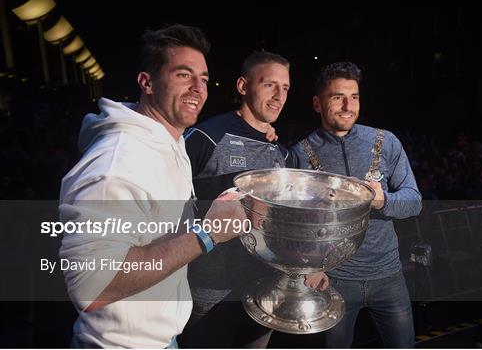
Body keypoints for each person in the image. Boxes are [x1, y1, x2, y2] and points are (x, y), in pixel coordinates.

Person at [58, 24, 245, 348]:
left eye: (202, 79)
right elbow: (92, 286)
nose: (198, 88)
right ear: (147, 82)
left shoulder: (170, 141)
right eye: (183, 75)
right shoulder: (116, 165)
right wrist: (207, 234)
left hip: (162, 338)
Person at [290, 62, 422, 348]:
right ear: (317, 103)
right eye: (337, 97)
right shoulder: (300, 154)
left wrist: (382, 201)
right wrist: (310, 266)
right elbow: (294, 226)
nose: (348, 105)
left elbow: (414, 201)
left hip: (389, 276)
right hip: (333, 280)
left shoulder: (386, 142)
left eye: (355, 97)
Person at [180, 51, 302, 348]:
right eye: (269, 84)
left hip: (263, 295)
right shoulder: (205, 137)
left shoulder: (283, 154)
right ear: (243, 86)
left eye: (285, 88)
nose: (279, 96)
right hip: (207, 298)